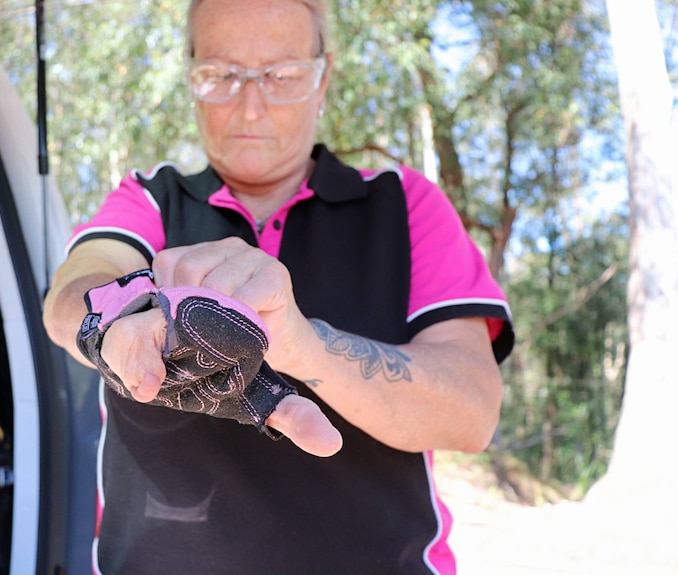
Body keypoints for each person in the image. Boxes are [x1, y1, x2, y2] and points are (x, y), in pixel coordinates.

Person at [43, 0, 514, 573]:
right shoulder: (149, 199)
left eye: (281, 76)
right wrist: (117, 318)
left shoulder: (405, 204)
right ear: (191, 76)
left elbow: (473, 412)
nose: (249, 104)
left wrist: (300, 343)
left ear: (324, 77)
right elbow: (74, 290)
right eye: (220, 75)